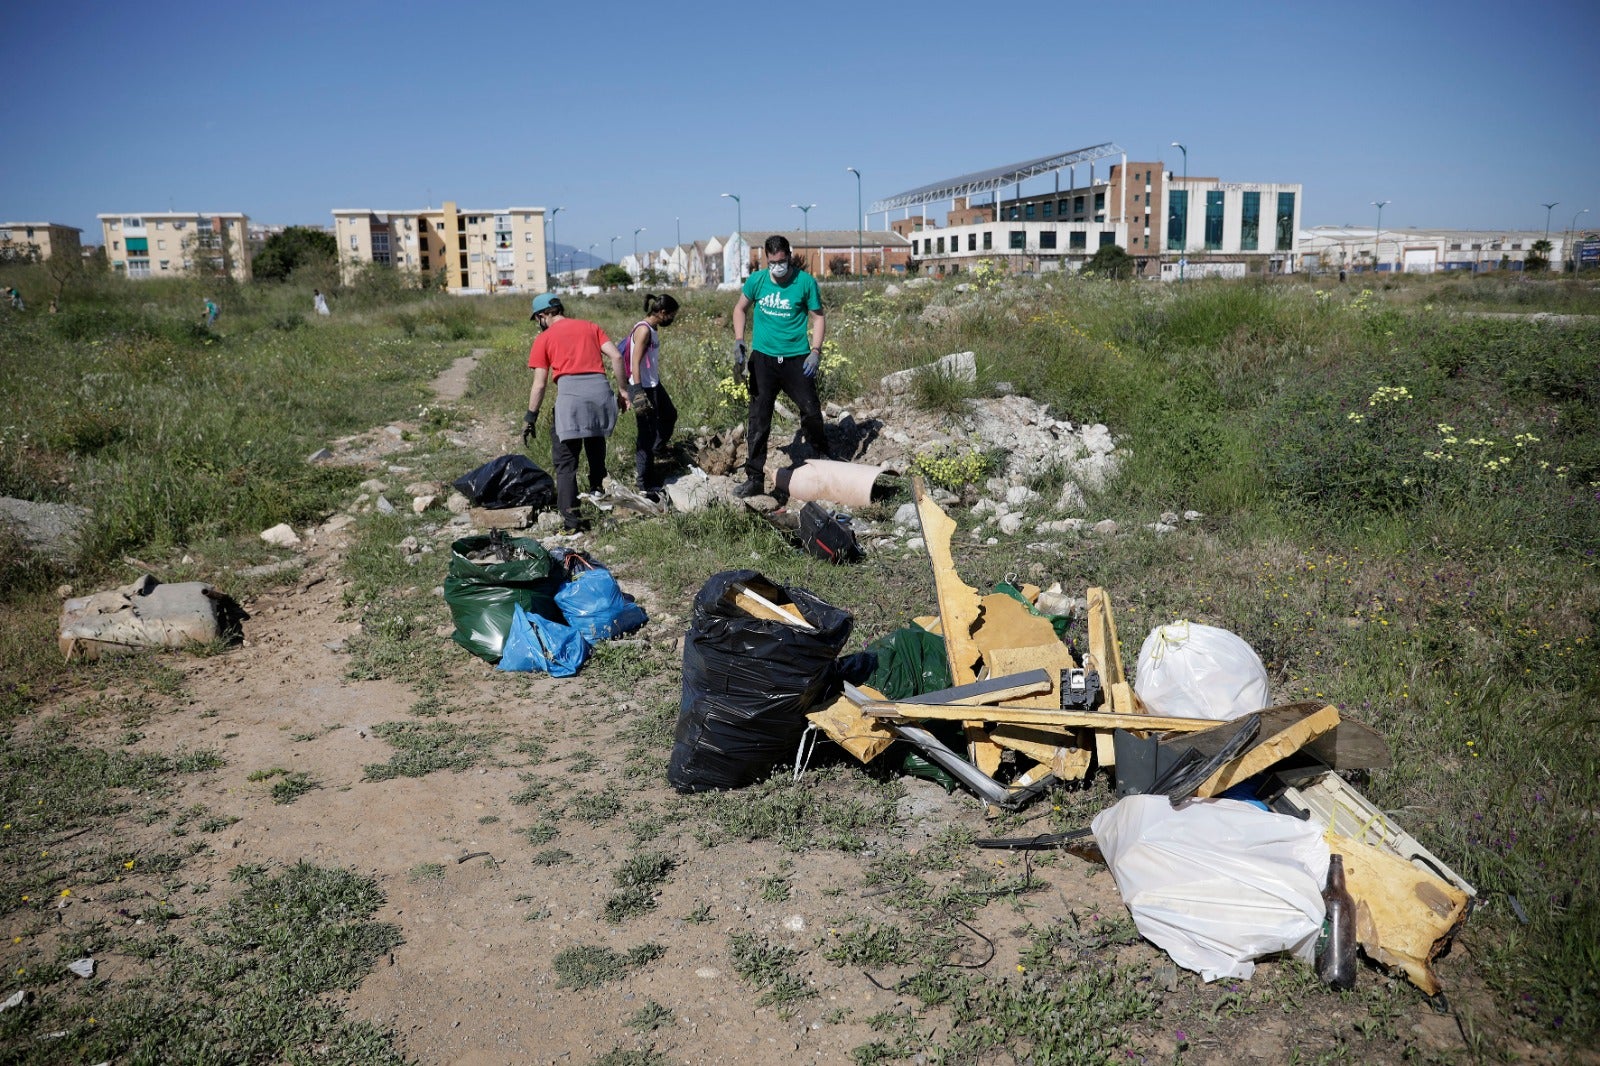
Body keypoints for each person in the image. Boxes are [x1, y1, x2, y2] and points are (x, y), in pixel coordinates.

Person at [522, 293, 634, 532]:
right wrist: (623, 391)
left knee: (566, 463)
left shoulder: (544, 338)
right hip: (600, 393)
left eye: (537, 319)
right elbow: (616, 355)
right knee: (595, 443)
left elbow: (539, 384)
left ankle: (572, 522)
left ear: (543, 316)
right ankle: (598, 494)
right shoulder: (590, 326)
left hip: (571, 398)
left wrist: (531, 416)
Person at [730, 235, 830, 498]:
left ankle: (821, 456)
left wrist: (816, 351)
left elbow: (818, 317)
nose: (778, 266)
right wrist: (739, 340)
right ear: (766, 259)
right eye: (772, 261)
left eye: (782, 261)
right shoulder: (757, 281)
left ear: (789, 255)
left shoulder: (805, 282)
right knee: (759, 420)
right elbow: (739, 309)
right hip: (763, 360)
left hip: (797, 358)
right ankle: (754, 478)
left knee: (811, 411)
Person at [619, 293, 680, 496]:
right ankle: (645, 482)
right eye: (671, 315)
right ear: (662, 312)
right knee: (646, 434)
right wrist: (637, 392)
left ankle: (657, 450)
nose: (672, 319)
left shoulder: (652, 328)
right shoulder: (644, 330)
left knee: (669, 415)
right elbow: (635, 362)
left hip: (654, 384)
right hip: (643, 387)